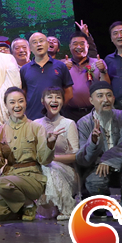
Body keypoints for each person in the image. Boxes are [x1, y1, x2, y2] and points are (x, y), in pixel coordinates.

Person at [0, 88, 57, 221]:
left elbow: (44, 160)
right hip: (9, 179)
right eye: (12, 102)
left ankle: (28, 203)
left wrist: (50, 144)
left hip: (32, 178)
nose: (17, 105)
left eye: (20, 101)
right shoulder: (0, 131)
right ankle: (24, 206)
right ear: (6, 105)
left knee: (0, 182)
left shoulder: (36, 127)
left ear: (25, 103)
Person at [75, 82, 122, 210]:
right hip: (97, 166)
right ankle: (103, 205)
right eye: (100, 96)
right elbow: (82, 159)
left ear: (114, 98)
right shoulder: (84, 123)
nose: (106, 99)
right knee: (95, 184)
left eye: (109, 95)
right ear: (91, 100)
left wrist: (108, 159)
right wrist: (93, 141)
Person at [32, 87, 79, 220]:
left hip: (65, 171)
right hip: (42, 168)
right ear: (43, 101)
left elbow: (75, 156)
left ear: (63, 102)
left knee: (50, 167)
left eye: (58, 97)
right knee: (45, 168)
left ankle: (67, 208)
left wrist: (50, 158)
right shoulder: (36, 124)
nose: (54, 100)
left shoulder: (69, 123)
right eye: (50, 97)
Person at [19, 32, 72, 120]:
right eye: (34, 42)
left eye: (41, 41)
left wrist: (58, 108)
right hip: (32, 117)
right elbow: (23, 93)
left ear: (47, 44)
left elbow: (69, 93)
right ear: (30, 48)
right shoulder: (24, 69)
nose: (38, 44)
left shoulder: (61, 66)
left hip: (56, 118)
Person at [62, 32, 110, 120]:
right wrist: (62, 70)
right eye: (75, 44)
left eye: (82, 44)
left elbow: (106, 86)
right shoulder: (63, 64)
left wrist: (103, 71)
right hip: (70, 113)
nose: (79, 47)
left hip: (94, 111)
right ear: (70, 46)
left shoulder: (98, 62)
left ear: (87, 46)